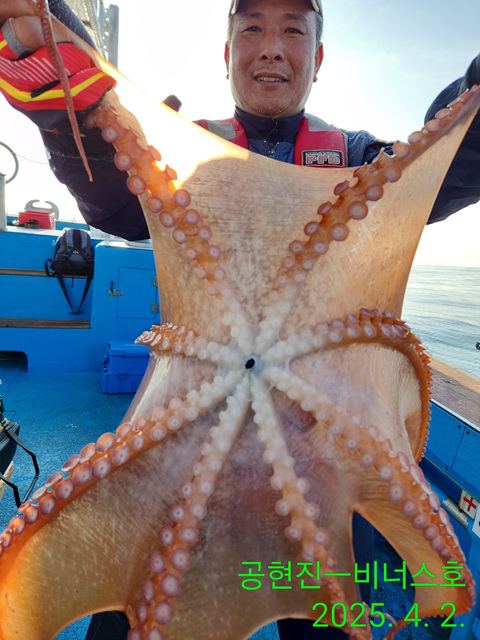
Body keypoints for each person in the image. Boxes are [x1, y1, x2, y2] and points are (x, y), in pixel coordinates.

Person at [0, 1, 479, 639]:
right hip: (189, 429)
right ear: (228, 54)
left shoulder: (357, 159)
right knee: (135, 606)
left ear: (317, 56)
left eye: (292, 29)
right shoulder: (193, 156)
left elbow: (449, 157)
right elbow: (113, 196)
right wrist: (65, 107)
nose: (271, 46)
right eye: (252, 27)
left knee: (327, 609)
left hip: (322, 450)